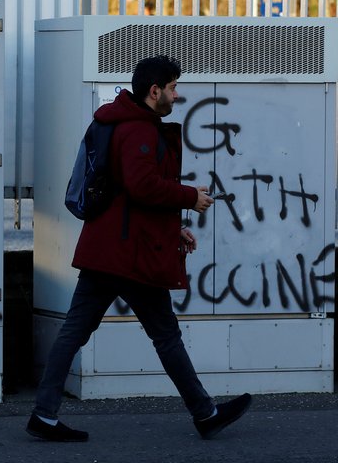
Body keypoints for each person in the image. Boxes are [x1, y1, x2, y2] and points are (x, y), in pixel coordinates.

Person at [26, 55, 251, 442]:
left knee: (77, 330)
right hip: (129, 255)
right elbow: (141, 185)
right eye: (173, 88)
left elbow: (126, 196)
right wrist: (188, 197)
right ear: (154, 91)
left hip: (109, 246)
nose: (176, 96)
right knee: (164, 333)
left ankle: (44, 415)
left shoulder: (120, 122)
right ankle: (205, 413)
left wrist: (172, 229)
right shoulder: (139, 130)